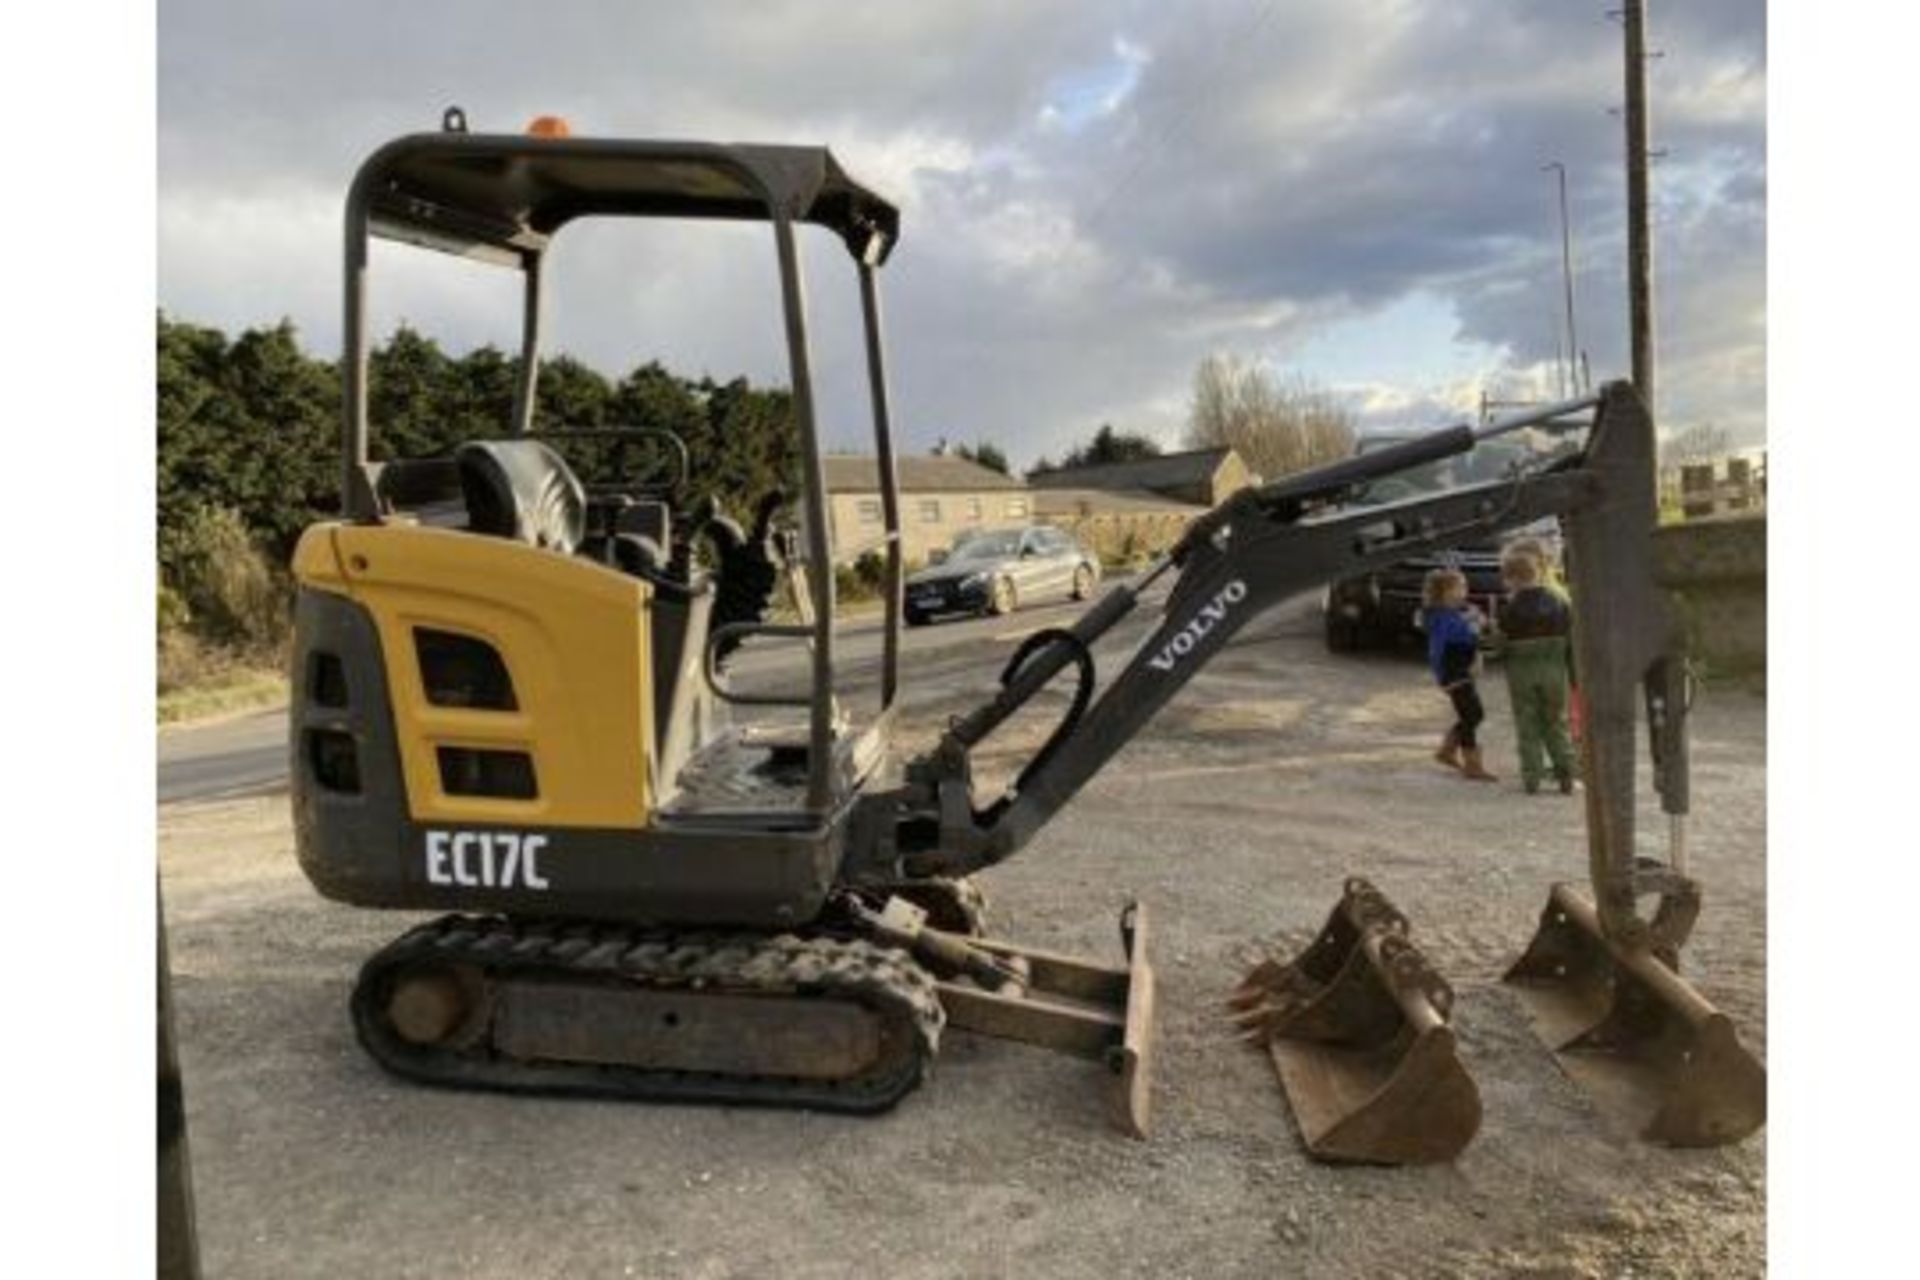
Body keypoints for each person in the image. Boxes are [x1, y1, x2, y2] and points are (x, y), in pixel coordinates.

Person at [1497, 547, 1577, 794]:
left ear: (1511, 579)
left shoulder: (1509, 610)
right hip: (1554, 671)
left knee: (1527, 724)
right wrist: (1574, 676)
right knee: (1556, 722)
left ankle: (1532, 777)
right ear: (1538, 573)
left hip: (1522, 674)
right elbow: (1572, 643)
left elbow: (1500, 646)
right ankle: (1566, 773)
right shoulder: (1560, 603)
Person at [1424, 568, 1496, 782]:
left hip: (1461, 672)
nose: (1465, 590)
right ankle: (1471, 763)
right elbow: (1451, 642)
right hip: (1454, 674)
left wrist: (1476, 624)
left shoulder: (1451, 614)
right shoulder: (1442, 618)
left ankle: (1448, 750)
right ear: (1446, 592)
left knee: (1472, 714)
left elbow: (1469, 637)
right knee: (1472, 714)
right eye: (1460, 587)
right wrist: (1476, 625)